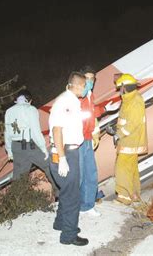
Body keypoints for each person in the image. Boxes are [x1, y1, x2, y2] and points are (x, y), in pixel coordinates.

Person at [49, 71, 89, 246]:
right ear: (79, 85)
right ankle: (69, 236)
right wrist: (63, 158)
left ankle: (61, 224)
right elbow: (57, 130)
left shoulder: (71, 100)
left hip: (68, 151)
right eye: (85, 85)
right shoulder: (66, 102)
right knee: (72, 196)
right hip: (65, 153)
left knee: (66, 191)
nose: (87, 88)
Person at [78, 66, 119, 217]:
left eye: (92, 78)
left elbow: (91, 113)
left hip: (87, 138)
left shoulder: (89, 95)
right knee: (80, 175)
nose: (90, 81)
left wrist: (104, 109)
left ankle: (87, 206)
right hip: (78, 139)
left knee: (91, 173)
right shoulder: (77, 96)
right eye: (87, 78)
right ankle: (76, 206)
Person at [4, 89, 58, 197]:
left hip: (16, 146)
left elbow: (7, 132)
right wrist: (43, 148)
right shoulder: (30, 109)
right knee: (49, 165)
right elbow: (35, 131)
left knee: (19, 176)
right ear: (29, 100)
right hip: (28, 145)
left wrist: (9, 150)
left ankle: (16, 202)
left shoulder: (9, 111)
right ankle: (59, 193)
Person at [113, 73, 148, 205]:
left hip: (130, 141)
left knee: (121, 169)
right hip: (128, 140)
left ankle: (124, 197)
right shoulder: (129, 99)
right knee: (131, 169)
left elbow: (133, 123)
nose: (119, 91)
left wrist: (119, 134)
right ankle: (134, 195)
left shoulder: (135, 100)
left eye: (119, 88)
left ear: (124, 87)